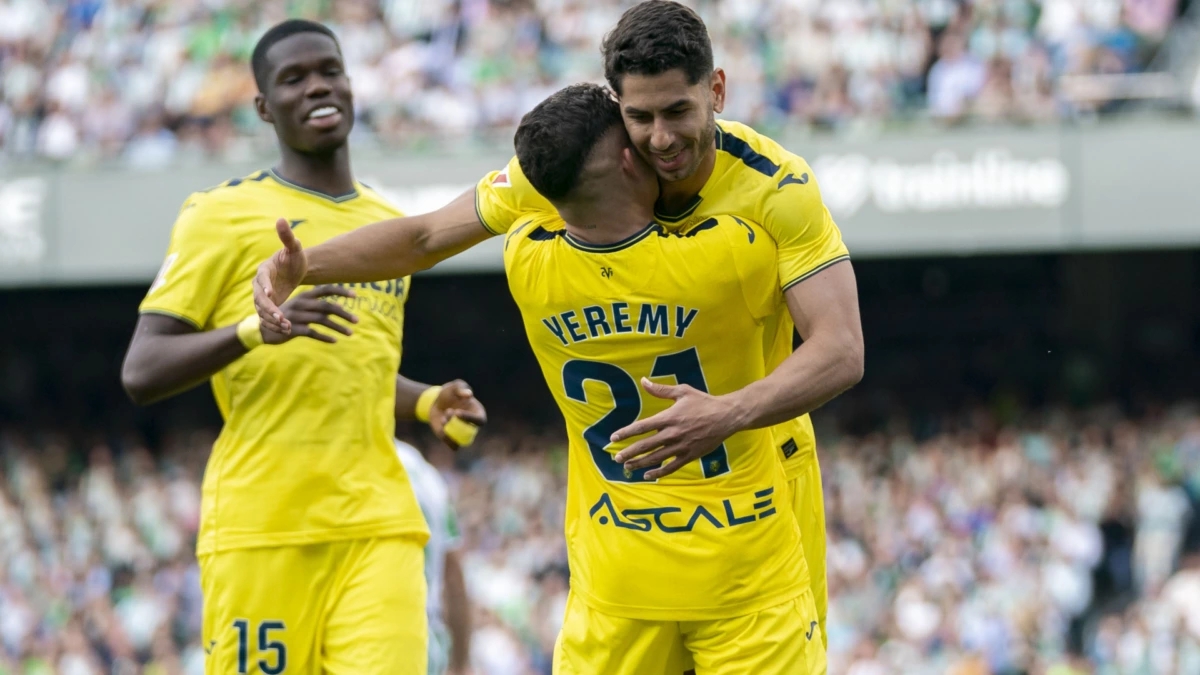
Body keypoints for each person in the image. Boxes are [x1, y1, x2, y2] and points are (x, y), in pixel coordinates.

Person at [253, 0, 863, 664]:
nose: (659, 139)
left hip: (763, 474)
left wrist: (730, 412)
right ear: (614, 108)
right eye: (640, 118)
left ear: (715, 90)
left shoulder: (776, 189)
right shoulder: (583, 166)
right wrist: (305, 263)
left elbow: (840, 348)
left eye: (678, 112)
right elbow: (426, 235)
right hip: (631, 536)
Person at [121, 19, 486, 674]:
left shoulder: (387, 223)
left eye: (329, 70)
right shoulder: (219, 215)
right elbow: (142, 370)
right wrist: (250, 331)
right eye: (293, 78)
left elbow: (356, 363)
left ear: (350, 83)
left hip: (380, 524)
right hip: (264, 530)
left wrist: (426, 399)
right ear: (264, 106)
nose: (318, 86)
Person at [519, 82, 824, 673]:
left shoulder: (523, 258)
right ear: (630, 162)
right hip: (744, 563)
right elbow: (833, 344)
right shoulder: (733, 252)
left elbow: (436, 232)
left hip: (616, 577)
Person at [394, 439, 473, 675]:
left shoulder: (350, 465)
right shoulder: (425, 474)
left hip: (363, 638)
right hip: (426, 643)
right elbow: (454, 579)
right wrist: (460, 663)